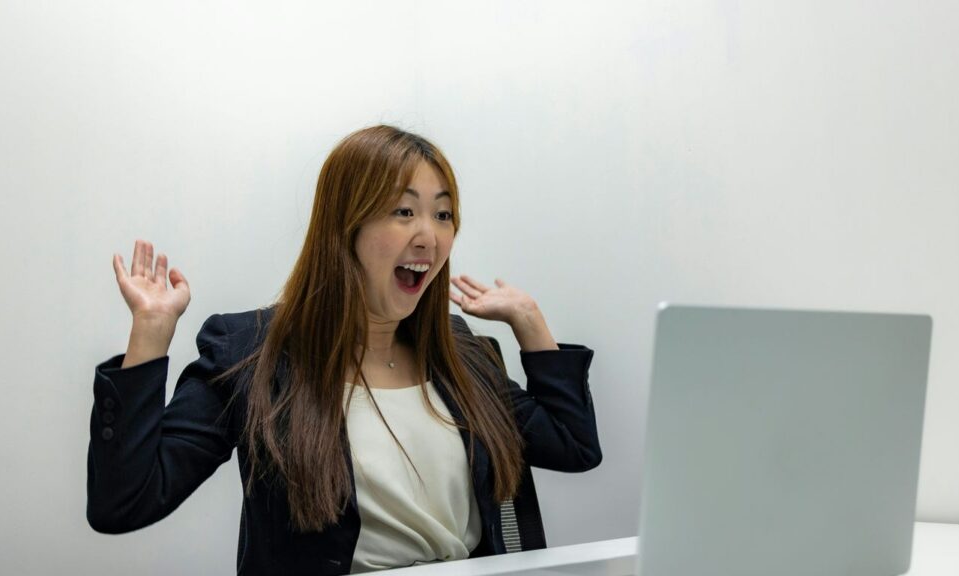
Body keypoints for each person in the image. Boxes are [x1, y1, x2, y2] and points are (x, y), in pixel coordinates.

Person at [86, 125, 601, 575]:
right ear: (345, 226)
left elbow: (574, 448)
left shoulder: (460, 352)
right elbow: (124, 502)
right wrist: (150, 334)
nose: (430, 236)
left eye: (443, 214)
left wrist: (530, 323)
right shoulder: (251, 354)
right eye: (404, 211)